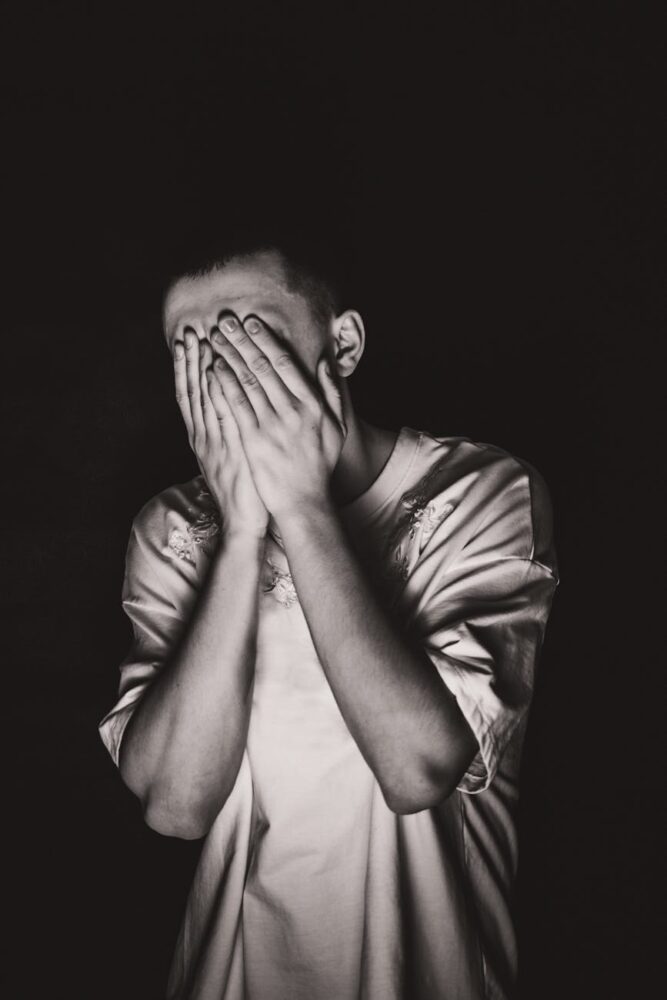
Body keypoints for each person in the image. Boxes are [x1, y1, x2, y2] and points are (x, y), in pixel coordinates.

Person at [98, 229, 559, 1000]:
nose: (221, 378)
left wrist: (300, 506)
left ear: (341, 345)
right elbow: (176, 806)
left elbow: (418, 769)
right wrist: (242, 533)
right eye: (189, 350)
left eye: (246, 338)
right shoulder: (172, 528)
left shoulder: (480, 489)